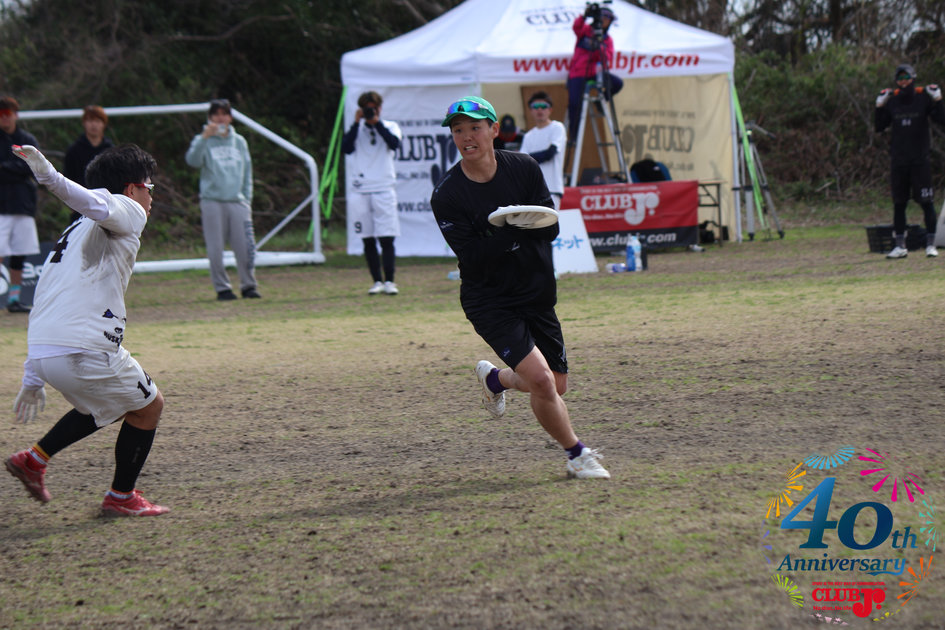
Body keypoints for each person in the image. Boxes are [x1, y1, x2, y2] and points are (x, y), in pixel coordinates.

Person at [430, 96, 610, 480]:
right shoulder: (447, 194)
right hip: (489, 300)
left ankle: (495, 379)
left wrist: (513, 228)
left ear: (494, 130)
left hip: (536, 291)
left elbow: (552, 227)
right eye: (458, 130)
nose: (466, 137)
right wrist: (510, 230)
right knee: (542, 381)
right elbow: (473, 257)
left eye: (475, 127)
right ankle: (577, 455)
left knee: (556, 385)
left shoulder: (524, 167)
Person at [4, 143, 169, 516]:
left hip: (47, 352)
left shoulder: (74, 229)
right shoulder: (126, 208)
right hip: (83, 349)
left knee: (108, 403)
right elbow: (99, 202)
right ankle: (121, 498)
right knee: (149, 407)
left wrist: (33, 374)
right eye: (149, 187)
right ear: (131, 189)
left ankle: (34, 459)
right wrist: (50, 177)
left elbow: (45, 297)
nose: (151, 197)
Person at [185, 98, 261, 300]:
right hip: (212, 201)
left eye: (224, 114)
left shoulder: (240, 141)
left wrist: (247, 199)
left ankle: (249, 285)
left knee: (245, 247)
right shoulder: (203, 139)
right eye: (216, 114)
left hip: (237, 201)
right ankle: (222, 288)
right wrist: (204, 138)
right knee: (215, 248)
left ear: (230, 117)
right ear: (210, 117)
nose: (220, 118)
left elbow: (247, 172)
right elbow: (192, 161)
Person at [875, 63, 945, 259]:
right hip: (899, 162)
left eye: (906, 77)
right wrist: (879, 106)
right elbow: (879, 126)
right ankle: (900, 246)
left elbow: (942, 120)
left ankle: (931, 245)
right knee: (899, 204)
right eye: (900, 78)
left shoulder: (923, 98)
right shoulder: (893, 101)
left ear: (913, 78)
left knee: (927, 203)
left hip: (920, 161)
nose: (903, 82)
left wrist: (938, 99)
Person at [342, 90, 403, 295]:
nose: (371, 111)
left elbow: (394, 144)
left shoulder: (390, 126)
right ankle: (377, 281)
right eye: (367, 108)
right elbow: (346, 148)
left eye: (374, 108)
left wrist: (376, 123)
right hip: (360, 189)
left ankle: (390, 281)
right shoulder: (356, 129)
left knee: (387, 237)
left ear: (380, 108)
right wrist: (356, 123)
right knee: (367, 238)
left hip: (384, 188)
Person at [0, 96, 41, 313]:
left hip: (22, 204)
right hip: (1, 205)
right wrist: (17, 168)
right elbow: (21, 168)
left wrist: (7, 168)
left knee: (19, 254)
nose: (4, 118)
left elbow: (33, 167)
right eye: (0, 115)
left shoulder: (27, 139)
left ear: (15, 115)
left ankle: (14, 299)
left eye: (8, 114)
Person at [566, 5, 624, 145]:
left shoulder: (607, 39)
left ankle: (600, 101)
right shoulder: (586, 30)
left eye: (608, 18)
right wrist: (585, 15)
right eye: (602, 16)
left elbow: (606, 58)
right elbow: (576, 27)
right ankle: (574, 136)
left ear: (610, 22)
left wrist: (599, 44)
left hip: (595, 73)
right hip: (578, 73)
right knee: (574, 104)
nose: (604, 20)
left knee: (617, 83)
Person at [64, 105, 115, 223]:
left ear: (104, 124)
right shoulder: (74, 150)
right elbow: (68, 179)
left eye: (97, 121)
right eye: (90, 121)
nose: (94, 125)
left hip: (107, 208)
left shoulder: (111, 151)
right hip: (80, 208)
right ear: (84, 123)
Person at [520, 92, 568, 211]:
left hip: (552, 189)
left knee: (551, 222)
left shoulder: (557, 127)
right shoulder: (528, 136)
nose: (539, 110)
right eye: (536, 107)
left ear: (550, 109)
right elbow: (521, 162)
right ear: (531, 110)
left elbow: (549, 154)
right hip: (531, 191)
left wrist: (528, 158)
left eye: (543, 106)